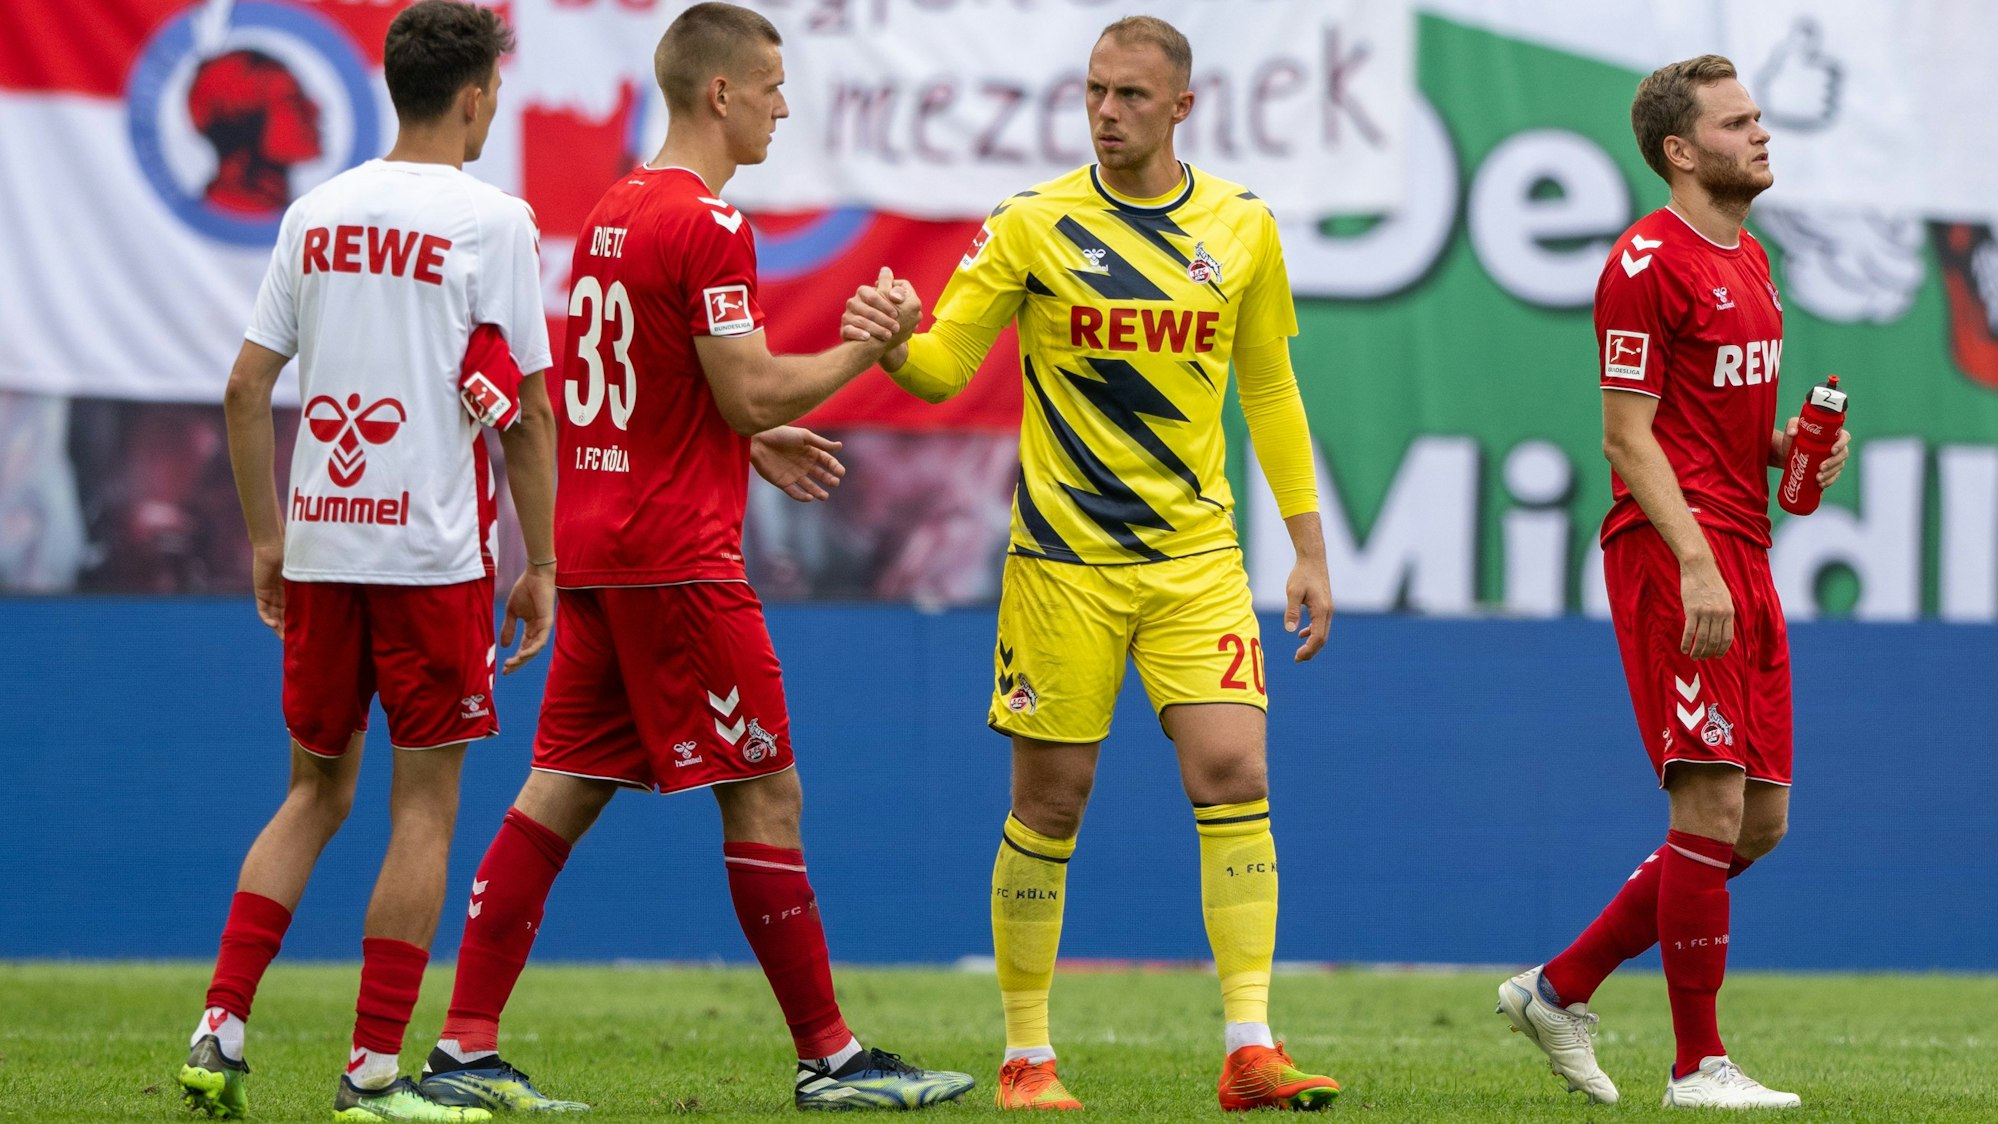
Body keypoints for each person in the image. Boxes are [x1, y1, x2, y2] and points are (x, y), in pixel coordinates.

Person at [411, 4, 974, 1114]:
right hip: (678, 556)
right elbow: (745, 382)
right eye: (771, 83)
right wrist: (866, 345)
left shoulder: (616, 207)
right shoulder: (711, 222)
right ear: (720, 92)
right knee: (767, 791)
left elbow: (631, 379)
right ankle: (831, 1058)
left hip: (601, 542)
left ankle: (463, 1048)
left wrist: (745, 434)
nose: (782, 104)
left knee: (556, 793)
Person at [841, 15, 1339, 1113]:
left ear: (1181, 108)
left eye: (1130, 96)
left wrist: (1305, 547)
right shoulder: (1032, 225)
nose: (1107, 112)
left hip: (1197, 558)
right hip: (1063, 562)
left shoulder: (1242, 227)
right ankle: (1027, 1056)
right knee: (1054, 802)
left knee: (1235, 773)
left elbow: (1269, 389)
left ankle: (1250, 1044)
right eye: (1095, 92)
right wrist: (889, 339)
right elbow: (939, 367)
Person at [180, 3, 555, 1121]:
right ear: (478, 95)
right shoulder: (495, 221)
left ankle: (218, 1026)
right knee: (424, 810)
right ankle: (374, 1073)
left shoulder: (316, 211)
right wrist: (542, 563)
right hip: (430, 555)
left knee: (312, 790)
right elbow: (527, 414)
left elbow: (248, 387)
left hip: (326, 546)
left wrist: (266, 537)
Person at [1494, 55, 1850, 1110]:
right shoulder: (1645, 262)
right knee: (1709, 800)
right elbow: (1626, 435)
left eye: (1759, 118)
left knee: (1760, 822)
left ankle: (1558, 987)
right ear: (1681, 151)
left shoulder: (1749, 261)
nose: (1762, 134)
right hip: (1674, 554)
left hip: (1743, 544)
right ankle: (1699, 1063)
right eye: (1738, 123)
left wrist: (1790, 444)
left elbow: (1714, 424)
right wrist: (1694, 556)